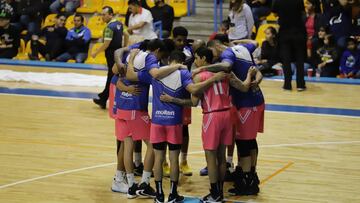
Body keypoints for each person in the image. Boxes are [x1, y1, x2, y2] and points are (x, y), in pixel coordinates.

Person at [193, 39, 264, 196]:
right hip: (256, 100)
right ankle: (251, 175)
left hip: (242, 105)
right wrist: (256, 79)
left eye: (214, 53)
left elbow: (226, 67)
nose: (217, 58)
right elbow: (255, 50)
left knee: (243, 143)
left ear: (217, 46)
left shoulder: (227, 57)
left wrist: (203, 68)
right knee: (250, 141)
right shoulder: (243, 48)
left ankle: (246, 182)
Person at [92, 6, 123, 109]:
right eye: (101, 14)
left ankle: (104, 97)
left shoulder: (109, 27)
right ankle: (103, 98)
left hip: (111, 54)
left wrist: (95, 52)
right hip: (118, 52)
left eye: (104, 15)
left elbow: (106, 44)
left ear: (110, 15)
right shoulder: (119, 24)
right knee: (112, 75)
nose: (102, 17)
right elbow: (126, 34)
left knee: (112, 76)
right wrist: (124, 48)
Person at [272, 0, 307, 91]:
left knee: (286, 59)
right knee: (300, 59)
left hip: (284, 32)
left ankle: (287, 85)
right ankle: (300, 84)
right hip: (298, 32)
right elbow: (303, 13)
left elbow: (275, 13)